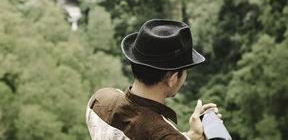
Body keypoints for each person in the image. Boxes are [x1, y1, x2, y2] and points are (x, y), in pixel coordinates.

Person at [86, 19, 222, 140]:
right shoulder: (165, 134)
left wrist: (192, 136)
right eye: (185, 70)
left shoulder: (99, 100)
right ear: (172, 78)